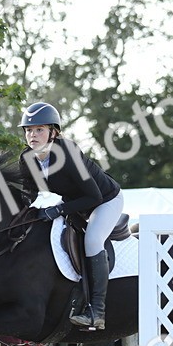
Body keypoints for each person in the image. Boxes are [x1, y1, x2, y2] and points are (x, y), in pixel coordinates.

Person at [18, 101, 123, 329]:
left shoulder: (67, 152)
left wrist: (58, 209)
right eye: (28, 130)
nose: (32, 135)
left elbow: (93, 197)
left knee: (93, 240)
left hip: (105, 200)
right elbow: (29, 195)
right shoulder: (27, 159)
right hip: (76, 203)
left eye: (39, 130)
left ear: (53, 133)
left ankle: (97, 311)